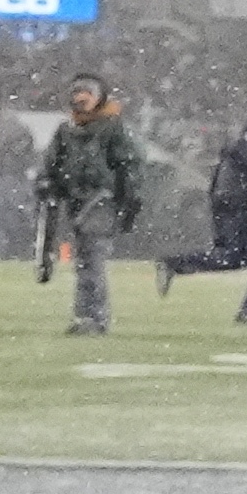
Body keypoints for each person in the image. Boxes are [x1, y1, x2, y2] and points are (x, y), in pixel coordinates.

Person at [155, 85, 247, 324]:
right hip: (244, 200)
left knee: (234, 257)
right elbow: (244, 154)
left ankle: (176, 264)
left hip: (241, 199)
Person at [32, 72, 151, 339]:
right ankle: (87, 315)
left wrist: (130, 198)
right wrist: (46, 183)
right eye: (76, 92)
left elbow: (131, 165)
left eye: (87, 92)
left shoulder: (113, 128)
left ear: (99, 97)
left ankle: (93, 317)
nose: (80, 97)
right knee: (86, 260)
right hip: (76, 202)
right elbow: (50, 165)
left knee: (91, 258)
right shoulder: (66, 131)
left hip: (102, 201)